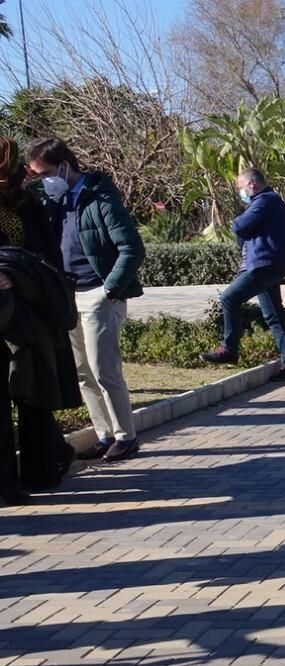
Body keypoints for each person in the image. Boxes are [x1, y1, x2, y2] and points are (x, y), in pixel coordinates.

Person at [26, 137, 145, 463]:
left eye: (45, 173)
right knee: (83, 373)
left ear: (64, 166)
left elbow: (132, 248)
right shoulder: (57, 203)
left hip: (98, 294)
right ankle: (105, 435)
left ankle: (126, 436)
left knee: (104, 370)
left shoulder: (100, 199)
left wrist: (110, 290)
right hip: (70, 296)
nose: (42, 181)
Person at [0, 136, 77, 504]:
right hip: (12, 309)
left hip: (28, 308)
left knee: (33, 390)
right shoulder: (25, 200)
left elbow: (44, 255)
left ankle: (42, 468)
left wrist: (17, 275)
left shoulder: (25, 202)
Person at [202, 168, 285, 379]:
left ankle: (229, 349)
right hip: (269, 265)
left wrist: (241, 226)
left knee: (229, 298)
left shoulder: (265, 201)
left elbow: (239, 226)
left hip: (262, 266)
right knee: (274, 317)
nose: (241, 192)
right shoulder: (270, 202)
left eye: (241, 188)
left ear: (251, 185)